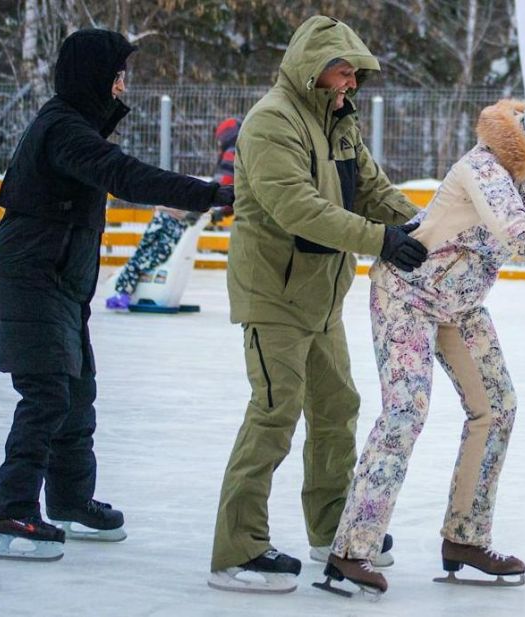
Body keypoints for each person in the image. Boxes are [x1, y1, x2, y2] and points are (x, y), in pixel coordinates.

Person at [318, 70, 525, 595]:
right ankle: (351, 549)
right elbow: (518, 234)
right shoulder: (485, 166)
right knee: (405, 412)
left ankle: (465, 536)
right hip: (409, 295)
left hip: (460, 306)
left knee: (497, 408)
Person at [0, 29, 234, 562]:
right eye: (117, 74)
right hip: (32, 278)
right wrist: (210, 195)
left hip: (59, 280)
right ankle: (12, 511)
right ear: (94, 77)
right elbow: (125, 175)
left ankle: (71, 501)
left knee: (77, 393)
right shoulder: (65, 131)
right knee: (48, 394)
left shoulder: (73, 125)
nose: (123, 85)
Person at [208, 16, 425, 593]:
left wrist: (421, 226)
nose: (350, 81)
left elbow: (373, 189)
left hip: (323, 296)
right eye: (341, 69)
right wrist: (383, 241)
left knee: (337, 409)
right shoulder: (271, 122)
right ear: (312, 67)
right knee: (274, 414)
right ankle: (238, 549)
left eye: (355, 71)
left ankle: (333, 530)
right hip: (274, 294)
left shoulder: (340, 122)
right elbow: (298, 208)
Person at [106, 116, 242, 309]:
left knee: (148, 252)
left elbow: (224, 182)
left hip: (189, 212)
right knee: (150, 252)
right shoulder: (239, 147)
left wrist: (215, 206)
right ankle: (124, 289)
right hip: (178, 214)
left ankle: (125, 288)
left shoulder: (232, 150)